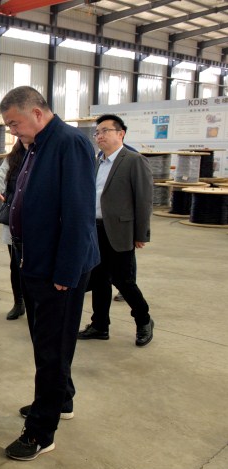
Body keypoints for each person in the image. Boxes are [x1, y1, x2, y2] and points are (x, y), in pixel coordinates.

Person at [0, 86, 100, 461]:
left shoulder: (69, 143)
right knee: (46, 344)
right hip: (35, 261)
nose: (12, 131)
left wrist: (66, 272)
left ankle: (41, 432)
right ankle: (60, 399)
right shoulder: (36, 144)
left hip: (58, 269)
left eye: (15, 123)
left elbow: (79, 213)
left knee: (52, 351)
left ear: (37, 113)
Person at [78, 114, 155, 347]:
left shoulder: (133, 160)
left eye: (105, 131)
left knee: (123, 280)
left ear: (121, 134)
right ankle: (100, 325)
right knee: (99, 280)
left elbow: (144, 200)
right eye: (97, 132)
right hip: (95, 230)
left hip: (120, 231)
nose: (99, 136)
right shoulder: (96, 162)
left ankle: (144, 320)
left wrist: (141, 234)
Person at [0, 141, 27, 319]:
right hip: (14, 218)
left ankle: (35, 303)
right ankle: (19, 302)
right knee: (15, 264)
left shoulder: (45, 155)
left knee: (35, 266)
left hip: (38, 220)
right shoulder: (13, 158)